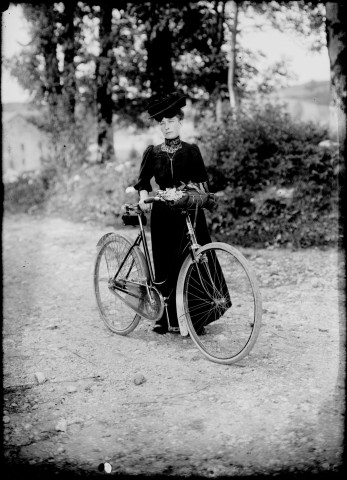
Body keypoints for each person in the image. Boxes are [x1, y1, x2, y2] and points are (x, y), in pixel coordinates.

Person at [133, 91, 218, 335]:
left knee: (192, 260)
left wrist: (190, 192)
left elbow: (202, 185)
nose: (166, 126)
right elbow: (142, 183)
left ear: (181, 122)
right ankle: (163, 317)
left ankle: (195, 318)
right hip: (162, 213)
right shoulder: (153, 152)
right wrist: (143, 197)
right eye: (162, 123)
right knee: (164, 262)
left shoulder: (192, 151)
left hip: (188, 212)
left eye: (171, 121)